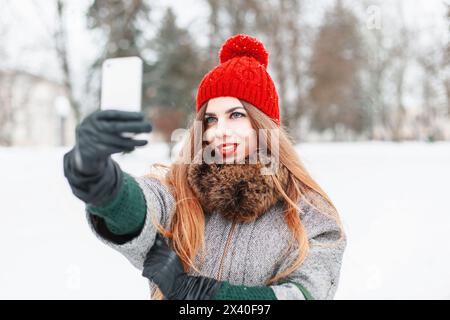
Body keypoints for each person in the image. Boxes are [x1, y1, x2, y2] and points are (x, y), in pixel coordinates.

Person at [63, 34, 347, 300]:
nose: (219, 131)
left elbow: (304, 294)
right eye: (211, 119)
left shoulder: (311, 215)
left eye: (236, 115)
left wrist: (202, 295)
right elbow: (143, 207)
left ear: (263, 123)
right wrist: (99, 179)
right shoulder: (181, 190)